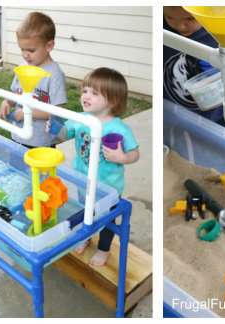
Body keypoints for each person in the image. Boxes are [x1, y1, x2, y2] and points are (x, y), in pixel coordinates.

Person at [48, 67, 140, 266]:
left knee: (106, 219)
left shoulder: (118, 128)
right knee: (85, 212)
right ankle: (85, 237)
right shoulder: (82, 119)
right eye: (84, 91)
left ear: (113, 101)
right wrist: (56, 128)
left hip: (108, 187)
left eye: (94, 93)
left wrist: (122, 157)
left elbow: (135, 153)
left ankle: (104, 249)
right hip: (83, 181)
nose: (86, 96)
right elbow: (65, 134)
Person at [163, 6, 225, 129]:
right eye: (169, 17)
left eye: (190, 18)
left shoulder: (224, 27)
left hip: (219, 116)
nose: (180, 26)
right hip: (174, 117)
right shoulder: (161, 30)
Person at [0, 11, 67, 148]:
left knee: (38, 170)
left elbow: (57, 112)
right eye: (22, 49)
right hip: (18, 135)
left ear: (49, 46)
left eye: (31, 50)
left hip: (41, 142)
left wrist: (25, 113)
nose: (25, 55)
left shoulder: (54, 74)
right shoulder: (23, 67)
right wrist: (8, 101)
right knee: (17, 168)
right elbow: (16, 93)